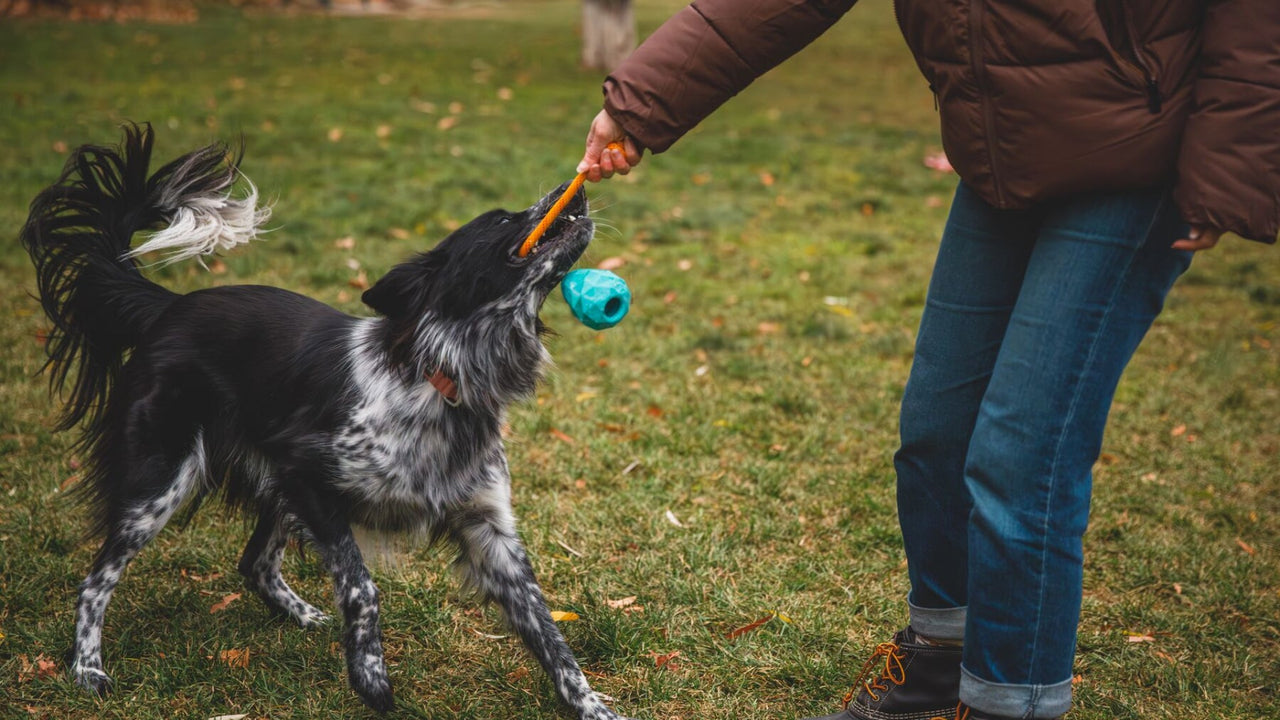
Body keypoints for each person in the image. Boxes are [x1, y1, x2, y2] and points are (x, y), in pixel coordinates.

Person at [574, 2, 1279, 720]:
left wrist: (1233, 161)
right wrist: (640, 104)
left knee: (1023, 457)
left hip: (1139, 144)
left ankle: (1011, 703)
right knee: (936, 432)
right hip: (1006, 148)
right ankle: (939, 669)